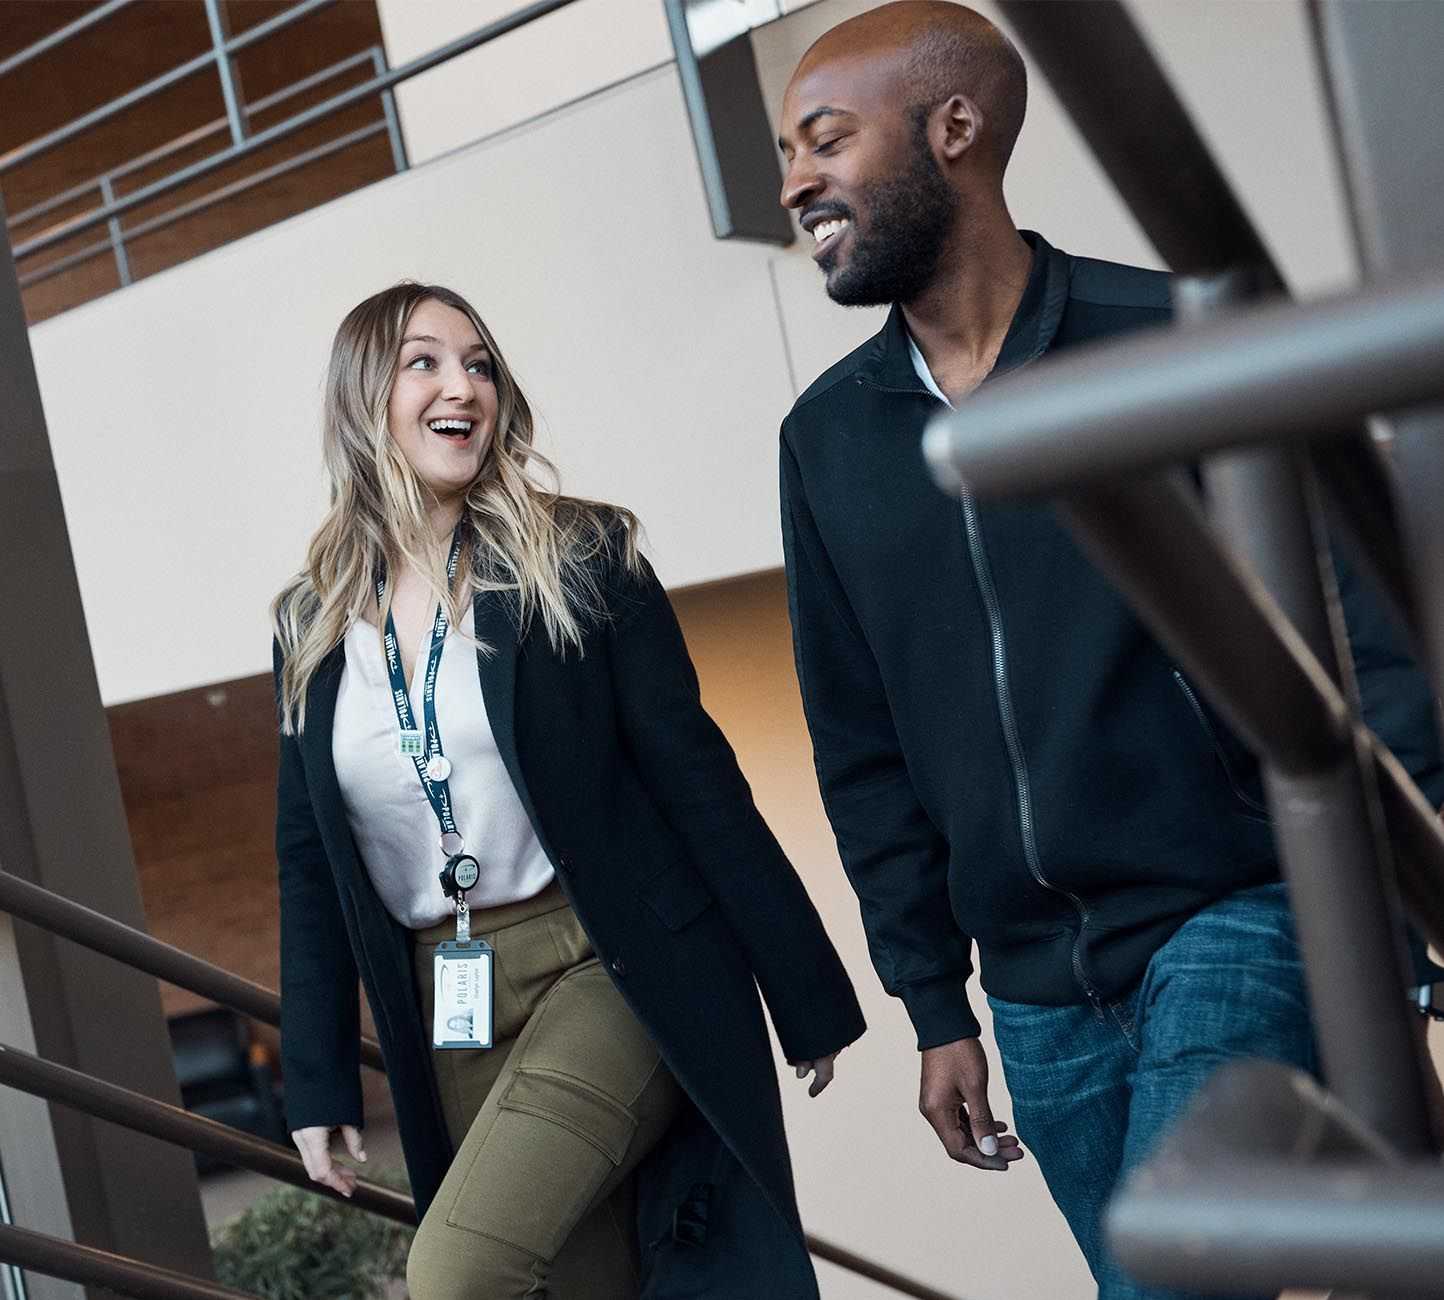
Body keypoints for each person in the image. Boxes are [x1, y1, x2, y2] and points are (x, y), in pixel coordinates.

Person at [773, 3, 1444, 1297]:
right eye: (787, 155)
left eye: (825, 139)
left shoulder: (1170, 338)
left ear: (954, 128)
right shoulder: (827, 440)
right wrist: (934, 1002)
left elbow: (1369, 638)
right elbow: (858, 742)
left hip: (1236, 908)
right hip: (1034, 993)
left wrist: (1412, 917)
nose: (796, 181)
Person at [271, 282, 865, 1299]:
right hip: (447, 1000)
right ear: (362, 399)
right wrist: (318, 1078)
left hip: (605, 964)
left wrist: (803, 990)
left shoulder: (579, 558)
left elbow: (695, 778)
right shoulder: (310, 621)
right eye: (424, 362)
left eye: (480, 365)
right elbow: (308, 862)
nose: (463, 387)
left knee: (457, 1272)